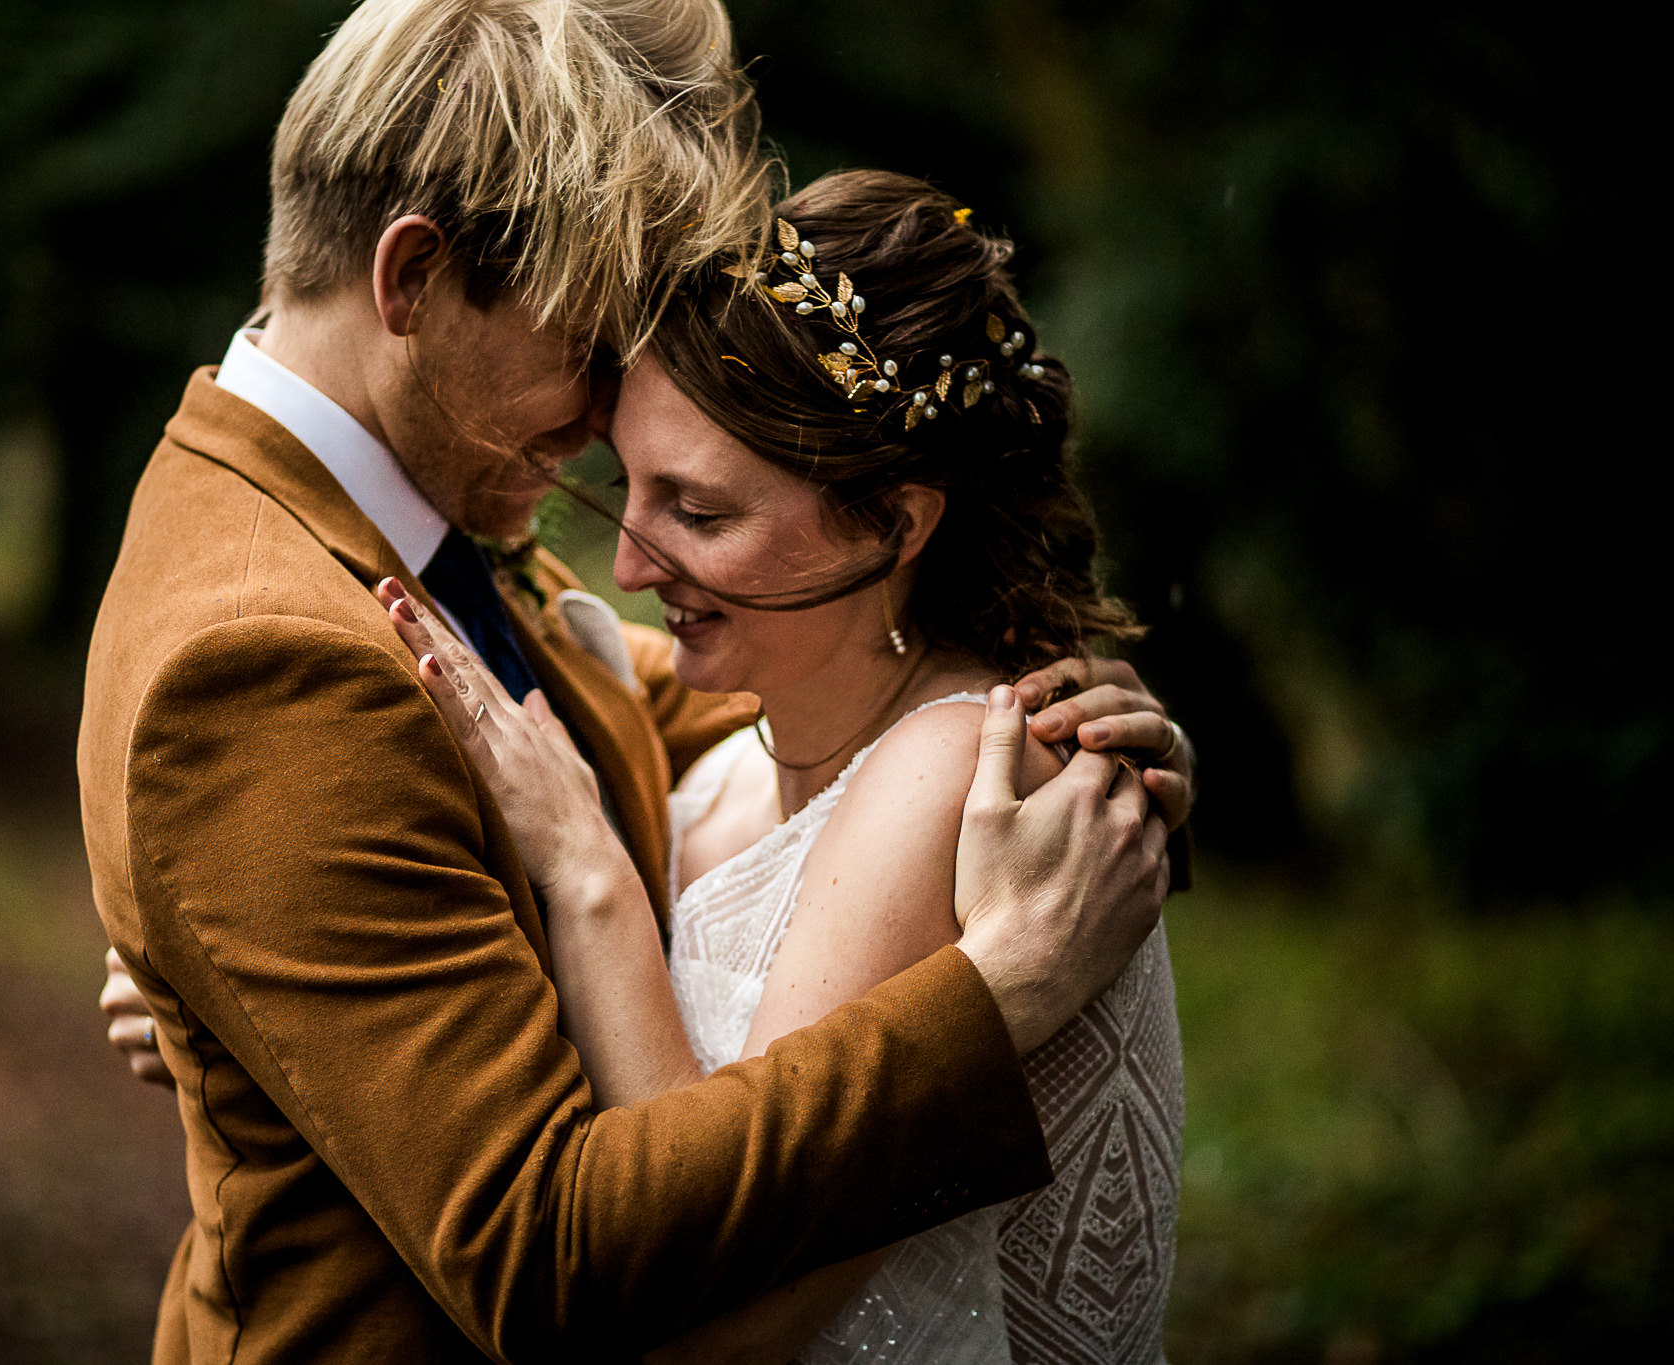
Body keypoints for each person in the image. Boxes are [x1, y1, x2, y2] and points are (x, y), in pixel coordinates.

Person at [78, 3, 1188, 1362]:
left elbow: (724, 694)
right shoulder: (265, 658)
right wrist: (1003, 983)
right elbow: (543, 1259)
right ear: (412, 281)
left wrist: (1044, 717)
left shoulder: (392, 520)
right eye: (588, 341)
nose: (607, 407)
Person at [375, 170, 1187, 1365]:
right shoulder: (729, 764)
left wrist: (593, 879)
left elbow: (699, 1309)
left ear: (895, 524)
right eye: (628, 488)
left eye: (699, 515)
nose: (635, 566)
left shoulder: (954, 781)